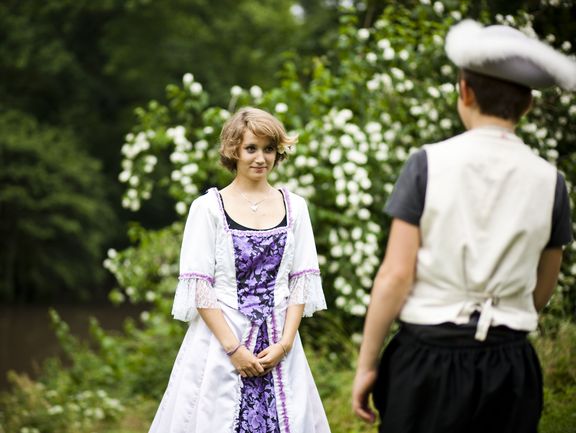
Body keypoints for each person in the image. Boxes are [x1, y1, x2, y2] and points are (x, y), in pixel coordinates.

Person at [352, 20, 575, 433]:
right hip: (509, 365)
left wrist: (368, 365)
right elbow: (541, 290)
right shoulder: (552, 182)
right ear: (527, 105)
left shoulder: (426, 164)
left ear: (465, 91)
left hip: (427, 360)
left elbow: (396, 275)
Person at [149, 107, 331, 433]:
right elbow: (200, 287)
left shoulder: (296, 208)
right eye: (251, 148)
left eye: (269, 149)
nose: (261, 158)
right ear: (234, 150)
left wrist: (285, 344)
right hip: (220, 343)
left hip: (279, 343)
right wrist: (234, 350)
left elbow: (302, 280)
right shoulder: (208, 208)